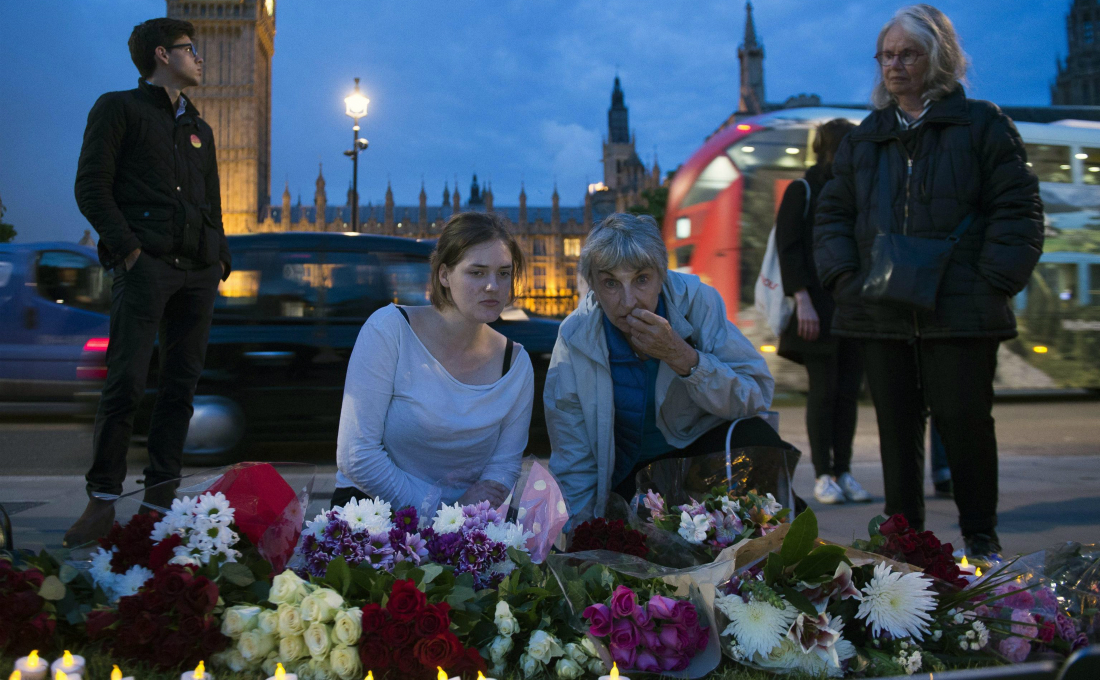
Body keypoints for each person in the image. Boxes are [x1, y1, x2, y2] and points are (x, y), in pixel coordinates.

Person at [814, 5, 1043, 558]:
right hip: (881, 311)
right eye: (886, 55)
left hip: (960, 310)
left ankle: (981, 543)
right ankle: (905, 550)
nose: (894, 66)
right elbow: (832, 216)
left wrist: (991, 282)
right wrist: (845, 280)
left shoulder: (982, 125)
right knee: (896, 435)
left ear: (938, 58)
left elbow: (1018, 211)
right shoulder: (865, 138)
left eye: (907, 54)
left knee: (965, 426)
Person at [65, 19, 231, 547]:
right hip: (147, 266)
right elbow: (91, 187)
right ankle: (102, 500)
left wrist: (218, 259)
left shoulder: (199, 127)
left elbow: (213, 203)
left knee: (180, 389)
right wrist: (130, 250)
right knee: (126, 384)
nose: (199, 57)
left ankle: (161, 498)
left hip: (197, 272)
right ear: (162, 54)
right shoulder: (119, 109)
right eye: (190, 49)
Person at [545, 213, 782, 525]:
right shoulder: (575, 336)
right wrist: (584, 533)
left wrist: (682, 357)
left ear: (662, 277)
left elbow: (756, 395)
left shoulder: (698, 302)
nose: (629, 302)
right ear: (593, 287)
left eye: (641, 279)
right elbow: (572, 453)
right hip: (630, 479)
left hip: (702, 463)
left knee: (757, 436)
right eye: (611, 283)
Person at [333, 212, 535, 512]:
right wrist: (441, 512)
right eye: (477, 272)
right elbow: (356, 454)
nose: (493, 286)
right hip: (375, 514)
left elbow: (504, 467)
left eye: (503, 273)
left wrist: (464, 517)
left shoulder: (515, 364)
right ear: (444, 275)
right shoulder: (390, 330)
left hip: (469, 521)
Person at [775, 118, 870, 506]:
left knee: (847, 392)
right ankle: (823, 475)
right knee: (824, 391)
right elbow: (789, 248)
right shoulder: (803, 189)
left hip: (852, 306)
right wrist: (802, 299)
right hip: (816, 306)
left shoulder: (856, 190)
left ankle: (844, 471)